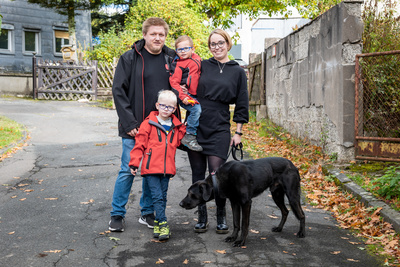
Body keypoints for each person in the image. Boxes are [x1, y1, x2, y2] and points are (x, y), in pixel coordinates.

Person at [109, 17, 177, 232]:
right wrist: (129, 122)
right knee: (127, 171)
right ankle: (117, 214)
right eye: (153, 34)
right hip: (135, 127)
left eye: (162, 34)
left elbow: (179, 88)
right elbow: (118, 91)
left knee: (153, 172)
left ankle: (147, 212)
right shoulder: (130, 58)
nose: (158, 38)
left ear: (165, 37)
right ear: (145, 35)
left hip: (161, 128)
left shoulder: (171, 58)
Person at [186, 29, 249, 234]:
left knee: (217, 176)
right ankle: (202, 216)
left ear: (228, 44)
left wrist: (238, 132)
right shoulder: (201, 65)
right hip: (196, 124)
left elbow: (242, 103)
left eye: (220, 42)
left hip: (220, 126)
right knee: (197, 173)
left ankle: (221, 216)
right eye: (212, 44)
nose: (217, 47)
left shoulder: (238, 71)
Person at [129, 90, 186, 241]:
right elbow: (139, 144)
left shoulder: (175, 126)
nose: (166, 109)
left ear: (175, 109)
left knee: (163, 196)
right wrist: (134, 163)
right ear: (157, 105)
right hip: (151, 168)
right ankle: (163, 223)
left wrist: (186, 126)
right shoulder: (148, 123)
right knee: (157, 197)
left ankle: (157, 224)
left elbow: (179, 141)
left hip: (167, 169)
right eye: (163, 106)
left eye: (170, 107)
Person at [169, 35, 202, 152]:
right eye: (179, 49)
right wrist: (183, 97)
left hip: (195, 94)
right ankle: (190, 135)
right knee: (196, 109)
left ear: (192, 49)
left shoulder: (197, 59)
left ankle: (189, 129)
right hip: (184, 96)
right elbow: (174, 83)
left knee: (199, 110)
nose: (183, 52)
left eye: (186, 48)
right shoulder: (179, 65)